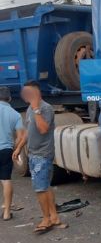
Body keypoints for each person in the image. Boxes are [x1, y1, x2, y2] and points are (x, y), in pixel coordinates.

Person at [14, 80, 63, 233]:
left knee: (40, 188)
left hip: (42, 154)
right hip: (33, 153)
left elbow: (43, 129)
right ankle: (54, 216)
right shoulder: (30, 109)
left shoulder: (45, 108)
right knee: (45, 186)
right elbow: (29, 131)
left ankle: (46, 219)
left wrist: (36, 109)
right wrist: (19, 147)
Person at [0, 87, 24, 221]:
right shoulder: (15, 114)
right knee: (6, 180)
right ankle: (7, 213)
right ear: (9, 98)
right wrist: (15, 149)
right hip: (5, 150)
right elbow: (20, 137)